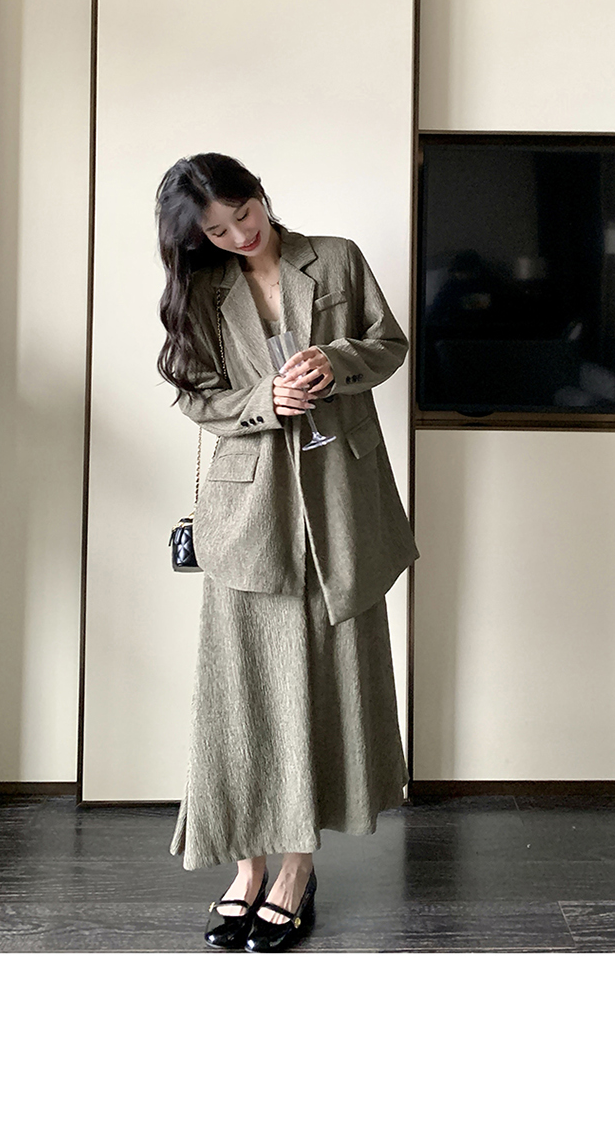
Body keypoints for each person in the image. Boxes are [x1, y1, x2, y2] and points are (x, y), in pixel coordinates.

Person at [156, 152, 420, 952]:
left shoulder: (333, 258)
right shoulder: (203, 291)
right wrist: (263, 401)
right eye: (217, 231)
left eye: (244, 213)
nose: (240, 234)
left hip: (341, 499)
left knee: (328, 680)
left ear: (260, 194)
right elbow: (194, 395)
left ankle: (296, 871)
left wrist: (334, 364)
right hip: (250, 508)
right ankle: (247, 868)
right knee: (242, 692)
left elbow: (389, 343)